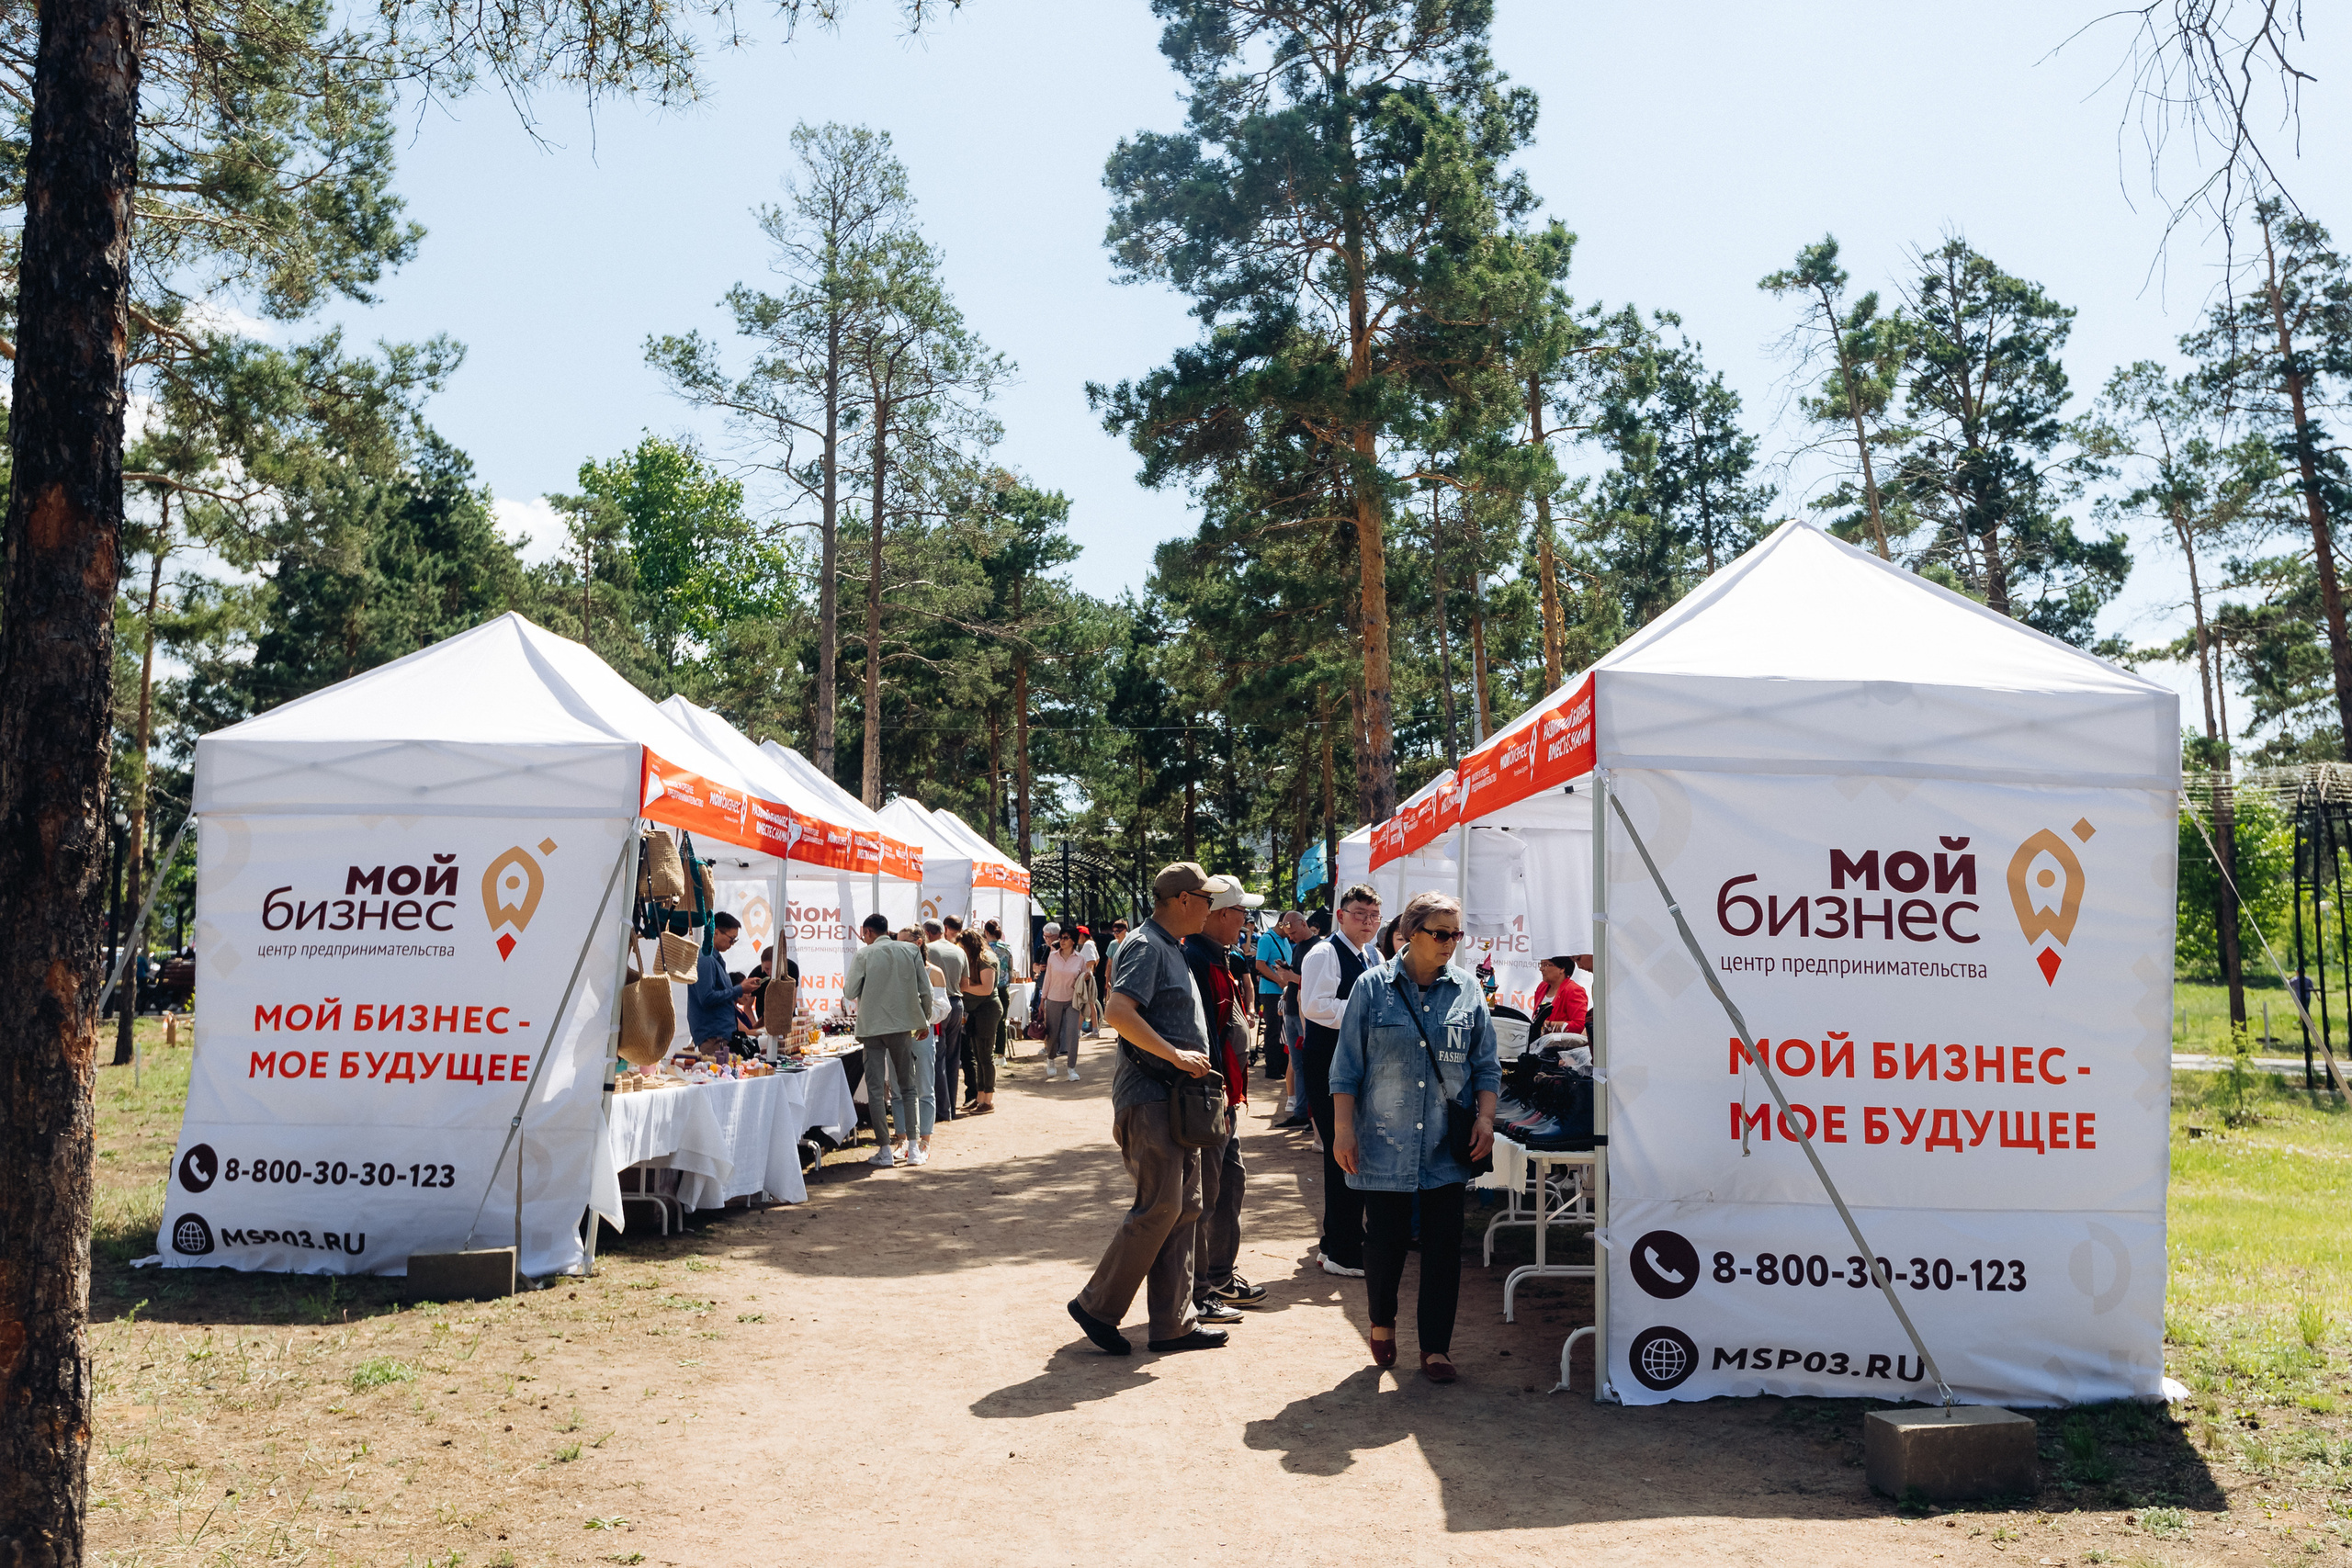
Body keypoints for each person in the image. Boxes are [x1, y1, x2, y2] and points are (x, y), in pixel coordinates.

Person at [1331, 890, 1499, 1384]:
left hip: (1447, 1144)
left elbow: (1486, 1065)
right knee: (1385, 1242)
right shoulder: (1371, 987)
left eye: (1457, 933)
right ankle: (1382, 1322)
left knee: (1444, 1247)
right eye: (1441, 933)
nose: (1451, 942)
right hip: (1385, 1141)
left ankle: (1436, 1348)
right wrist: (1343, 1130)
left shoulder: (1468, 991)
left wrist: (1486, 1119)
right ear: (1410, 932)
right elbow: (1346, 1068)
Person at [1067, 863, 1227, 1357]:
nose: (1211, 907)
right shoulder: (1147, 945)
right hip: (1153, 1097)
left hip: (1174, 1101)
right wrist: (1176, 1056)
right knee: (1161, 1206)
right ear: (1183, 900)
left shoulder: (1167, 945)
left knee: (1182, 1208)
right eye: (1206, 898)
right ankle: (1097, 1306)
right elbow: (1118, 1013)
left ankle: (1173, 1324)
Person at [1184, 875, 1269, 1320]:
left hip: (1223, 1098)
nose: (1246, 920)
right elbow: (1201, 1035)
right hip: (1210, 1097)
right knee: (1206, 1194)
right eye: (1241, 912)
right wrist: (1216, 1090)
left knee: (1229, 1184)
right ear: (1219, 914)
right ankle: (1200, 1290)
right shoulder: (1196, 959)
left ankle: (1218, 1276)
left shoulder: (1218, 957)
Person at [1297, 884, 1381, 1277]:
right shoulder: (1324, 952)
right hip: (1328, 1064)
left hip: (1355, 1065)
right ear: (1341, 915)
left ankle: (1337, 1242)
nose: (1367, 922)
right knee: (1342, 1152)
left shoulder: (1372, 954)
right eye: (1359, 914)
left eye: (1373, 916)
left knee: (1350, 1153)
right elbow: (1315, 1007)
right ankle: (1341, 1251)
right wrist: (1370, 1009)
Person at [844, 912, 933, 1168]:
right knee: (908, 1086)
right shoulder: (911, 951)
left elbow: (850, 991)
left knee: (875, 1090)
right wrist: (924, 1019)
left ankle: (885, 1149)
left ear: (868, 932)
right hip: (903, 1026)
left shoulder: (864, 954)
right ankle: (913, 1148)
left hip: (872, 1028)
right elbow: (925, 990)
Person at [688, 912, 762, 1057]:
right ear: (716, 933)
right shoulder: (706, 960)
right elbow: (706, 997)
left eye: (735, 940)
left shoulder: (714, 960)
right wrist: (739, 989)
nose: (732, 944)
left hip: (721, 1036)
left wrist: (740, 989)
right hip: (713, 1037)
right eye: (731, 939)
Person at [924, 918, 968, 1121]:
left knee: (938, 1057)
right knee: (952, 1058)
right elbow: (965, 985)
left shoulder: (928, 950)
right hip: (957, 1004)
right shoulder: (959, 951)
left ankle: (942, 1110)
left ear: (927, 933)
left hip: (938, 1006)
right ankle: (951, 1107)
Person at [1037, 926, 1090, 1081]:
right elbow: (1048, 979)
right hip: (1054, 999)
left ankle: (1071, 1068)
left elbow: (1083, 980)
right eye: (1061, 937)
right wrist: (1043, 999)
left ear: (1073, 941)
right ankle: (1051, 1059)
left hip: (1072, 1000)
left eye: (1066, 938)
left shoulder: (1080, 958)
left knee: (1072, 1033)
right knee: (1053, 1034)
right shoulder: (1052, 956)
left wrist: (1086, 977)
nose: (1062, 941)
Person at [957, 930, 1001, 1112]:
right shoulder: (973, 959)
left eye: (963, 947)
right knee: (978, 1055)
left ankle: (988, 1100)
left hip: (987, 1011)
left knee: (986, 1057)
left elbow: (986, 989)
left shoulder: (986, 959)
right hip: (975, 1012)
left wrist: (964, 987)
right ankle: (980, 1097)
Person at [1254, 911, 1301, 1082]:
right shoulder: (1266, 939)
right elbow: (1260, 965)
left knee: (1284, 1030)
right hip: (1271, 992)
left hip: (1284, 991)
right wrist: (1279, 981)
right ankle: (1272, 1068)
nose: (1291, 933)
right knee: (1274, 1030)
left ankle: (1282, 1066)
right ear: (1282, 923)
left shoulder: (1285, 940)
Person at [1531, 954, 1590, 1037]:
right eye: (1541, 964)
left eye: (1546, 965)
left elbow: (1580, 1025)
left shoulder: (1573, 990)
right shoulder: (1542, 987)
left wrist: (1547, 1025)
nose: (1541, 969)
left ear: (1562, 969)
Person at [984, 919, 1015, 1060]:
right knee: (1002, 1021)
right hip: (1004, 988)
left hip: (988, 988)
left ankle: (987, 1050)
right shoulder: (1007, 947)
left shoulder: (986, 948)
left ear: (986, 932)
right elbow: (1011, 969)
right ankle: (1001, 1053)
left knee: (987, 1022)